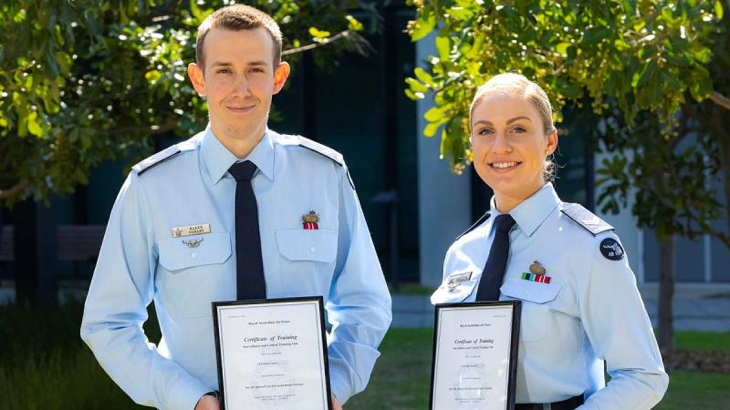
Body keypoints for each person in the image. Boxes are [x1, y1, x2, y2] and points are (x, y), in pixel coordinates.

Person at [80, 5, 391, 410]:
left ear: (278, 77)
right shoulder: (152, 187)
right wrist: (187, 398)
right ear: (199, 79)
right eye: (224, 70)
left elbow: (366, 302)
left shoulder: (324, 175)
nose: (241, 88)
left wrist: (334, 383)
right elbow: (108, 322)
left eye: (256, 70)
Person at [430, 73, 668, 409]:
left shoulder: (586, 246)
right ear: (472, 144)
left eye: (518, 129)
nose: (500, 146)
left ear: (550, 141)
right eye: (485, 131)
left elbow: (643, 375)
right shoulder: (462, 252)